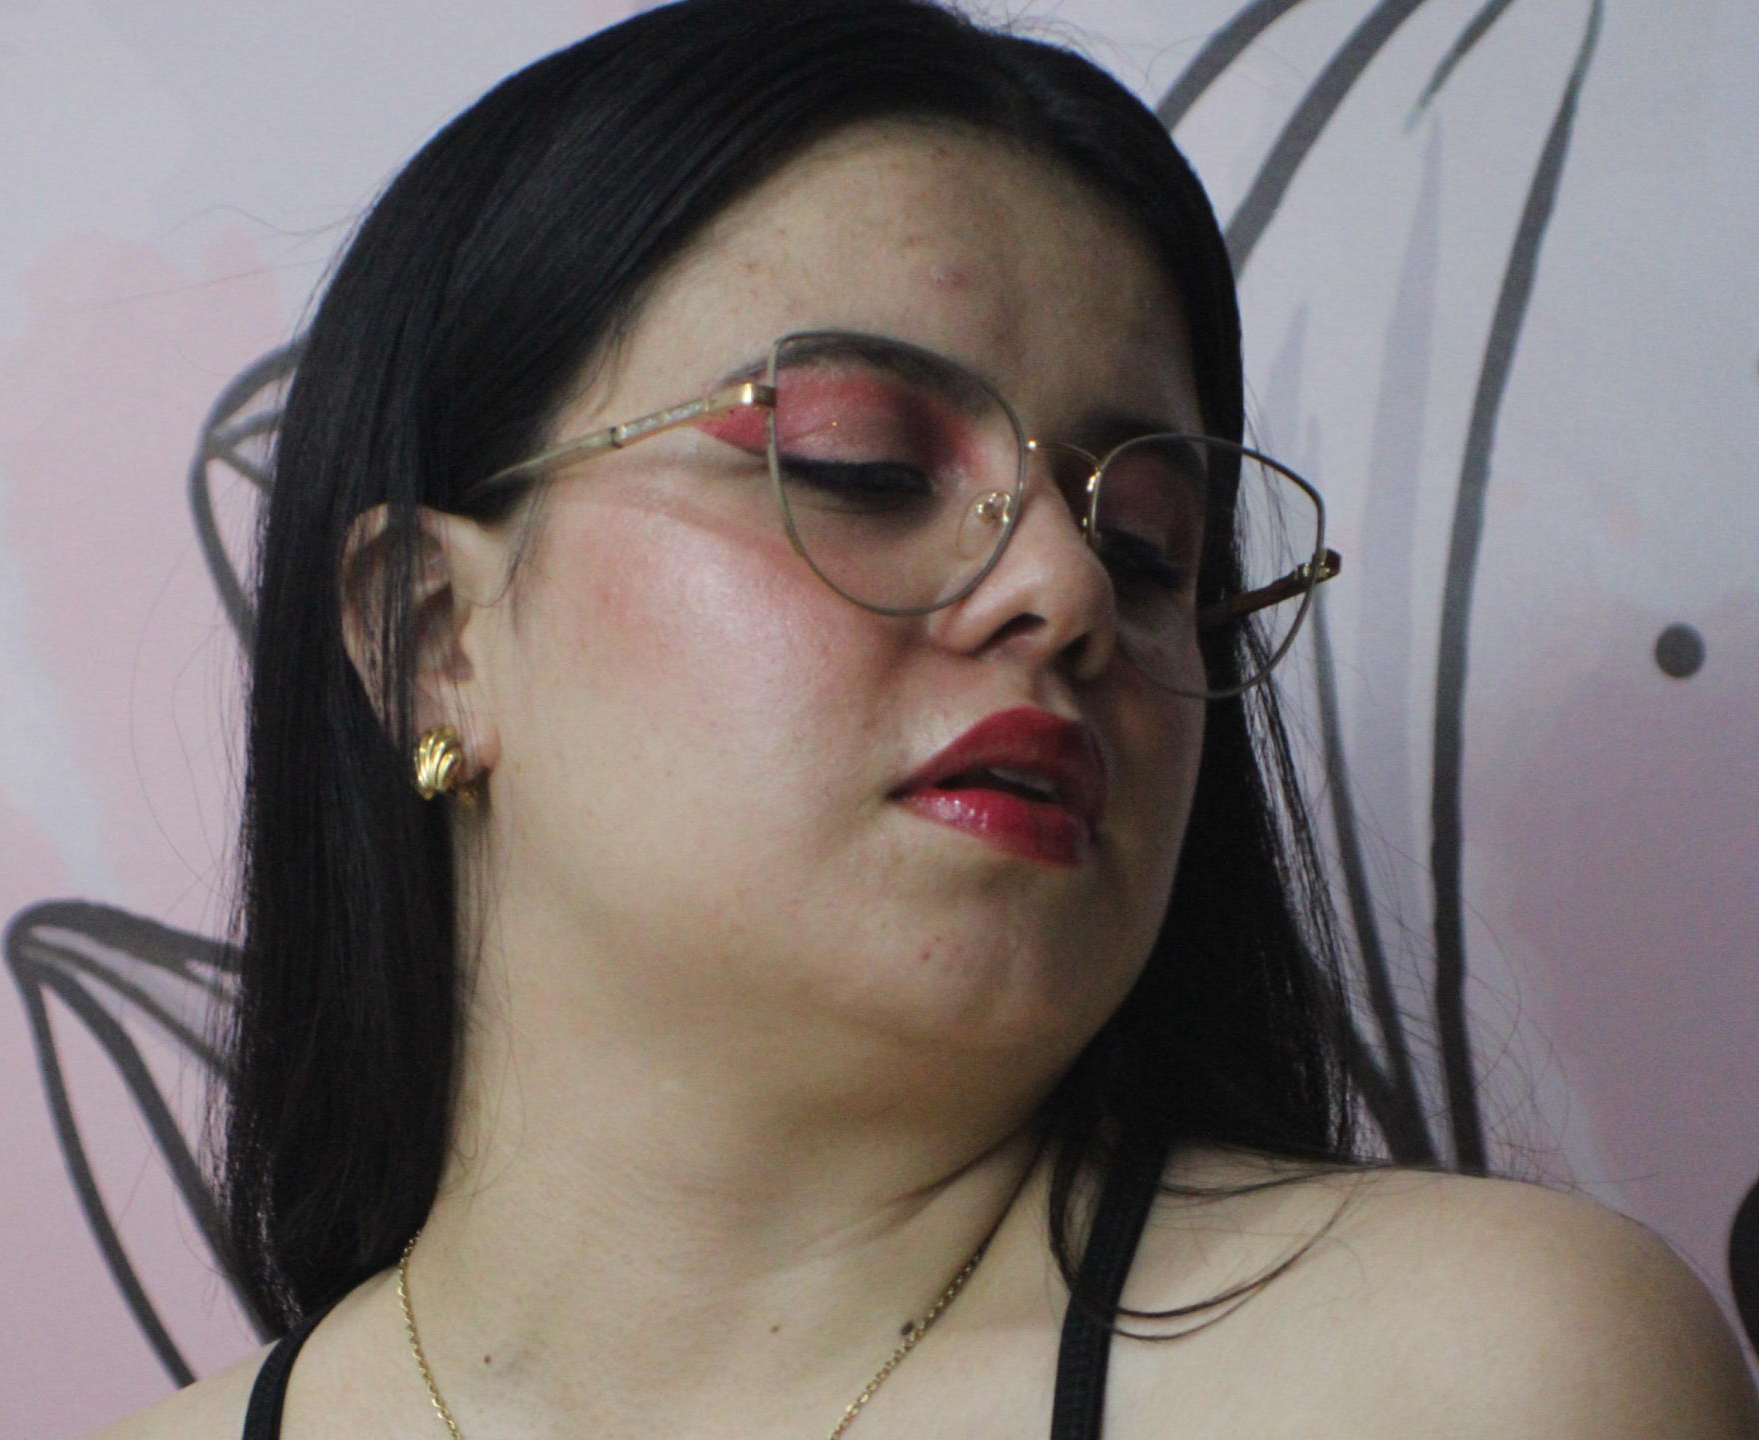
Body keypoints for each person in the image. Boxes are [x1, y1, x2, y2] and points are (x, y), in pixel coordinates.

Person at [101, 1, 1759, 1435]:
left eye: (1151, 545)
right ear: (435, 639)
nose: (1068, 588)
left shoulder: (1472, 1377)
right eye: (863, 468)